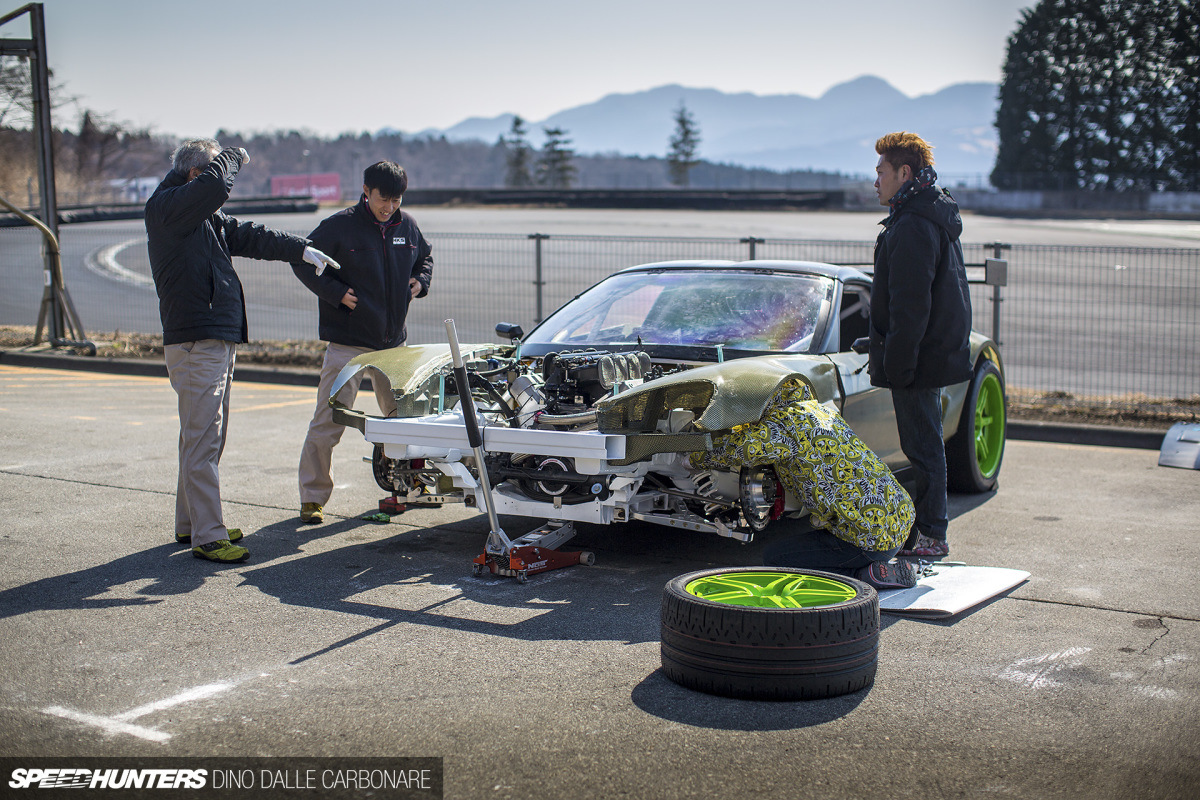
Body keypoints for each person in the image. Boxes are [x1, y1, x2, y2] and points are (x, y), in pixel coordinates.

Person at [145, 139, 340, 564]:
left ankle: (191, 522)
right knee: (203, 439)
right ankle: (208, 535)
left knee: (201, 438)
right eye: (216, 170)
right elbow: (216, 188)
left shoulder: (199, 215)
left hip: (212, 338)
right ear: (197, 174)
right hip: (198, 340)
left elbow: (250, 235)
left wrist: (300, 250)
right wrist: (233, 155)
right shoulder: (169, 207)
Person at [291, 161, 433, 524]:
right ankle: (313, 498)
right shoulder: (339, 226)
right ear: (366, 190)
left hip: (393, 345)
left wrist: (420, 281)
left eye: (396, 200)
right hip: (347, 343)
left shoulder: (408, 226)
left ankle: (407, 486)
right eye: (382, 199)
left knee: (401, 420)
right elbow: (304, 261)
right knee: (328, 420)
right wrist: (336, 293)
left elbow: (425, 257)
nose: (389, 207)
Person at [869, 131, 973, 558]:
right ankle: (928, 530)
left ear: (903, 173)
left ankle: (931, 535)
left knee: (923, 447)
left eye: (880, 172)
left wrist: (897, 365)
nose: (875, 181)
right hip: (930, 355)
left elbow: (910, 307)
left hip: (917, 360)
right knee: (926, 444)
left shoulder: (912, 223)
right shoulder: (929, 214)